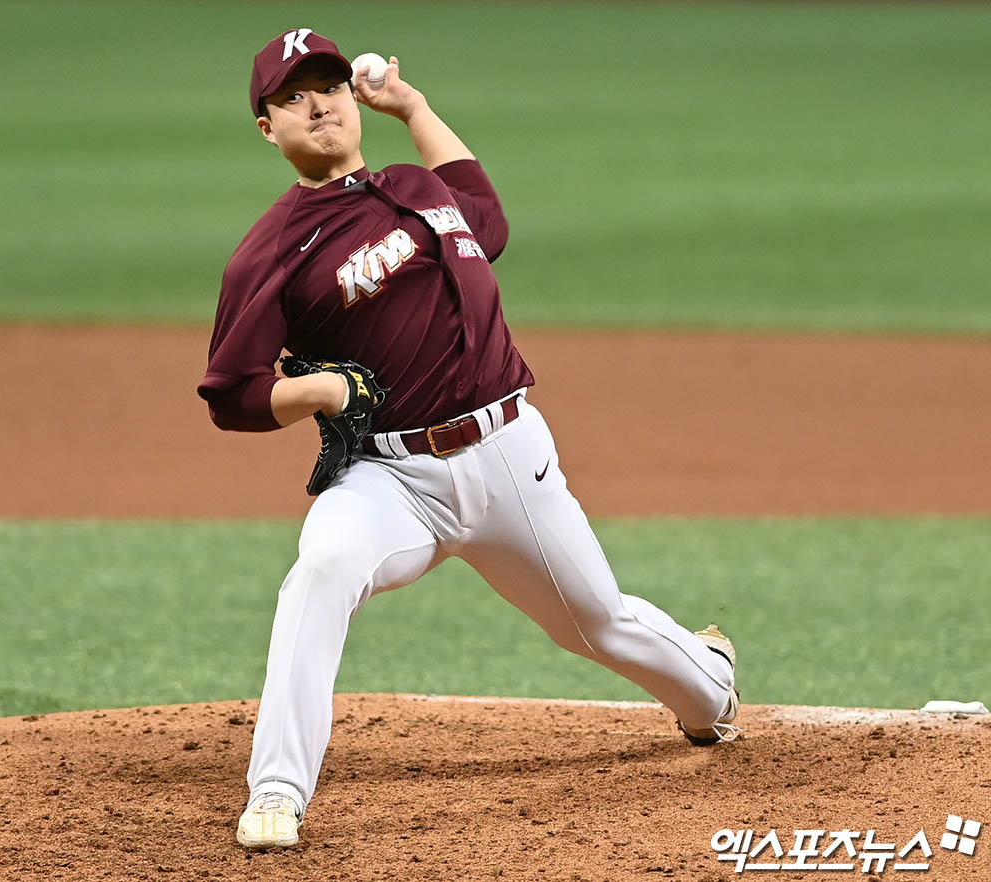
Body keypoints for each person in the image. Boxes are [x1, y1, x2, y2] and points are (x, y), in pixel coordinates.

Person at [198, 28, 740, 851]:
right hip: (390, 482)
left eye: (331, 87)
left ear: (352, 99)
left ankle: (710, 682)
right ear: (268, 128)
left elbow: (487, 219)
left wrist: (413, 106)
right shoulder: (272, 250)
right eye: (293, 97)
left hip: (508, 457)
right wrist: (319, 391)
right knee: (322, 569)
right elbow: (231, 394)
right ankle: (277, 790)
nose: (320, 105)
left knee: (596, 623)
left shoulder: (419, 189)